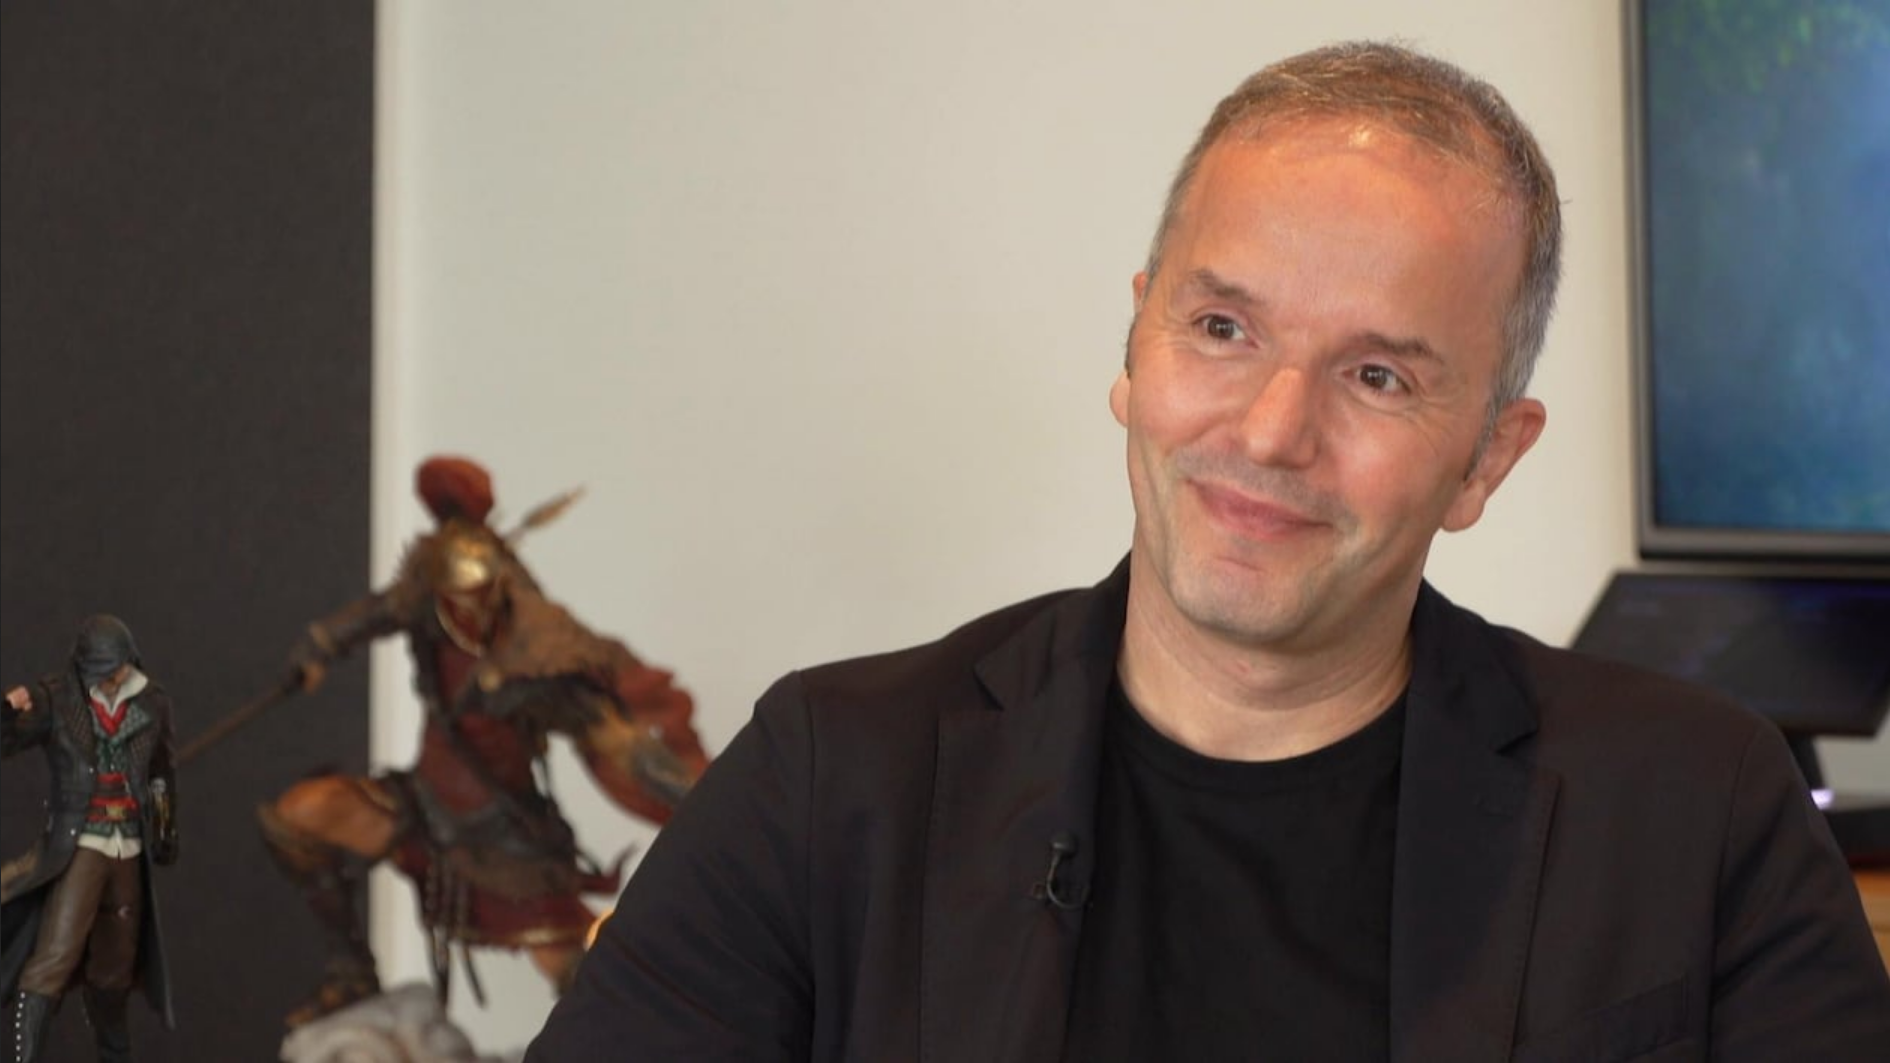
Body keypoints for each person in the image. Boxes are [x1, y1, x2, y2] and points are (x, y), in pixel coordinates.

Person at [528, 42, 1890, 1061]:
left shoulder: (1699, 801)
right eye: (1222, 329)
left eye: (1376, 375)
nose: (1270, 431)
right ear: (1137, 346)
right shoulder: (832, 772)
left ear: (1487, 455)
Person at [258, 455, 710, 1027]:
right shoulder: (425, 602)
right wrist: (319, 648)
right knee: (301, 815)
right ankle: (350, 972)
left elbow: (615, 738)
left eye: (480, 597)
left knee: (577, 975)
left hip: (503, 839)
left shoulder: (538, 657)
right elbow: (373, 614)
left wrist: (697, 801)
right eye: (457, 599)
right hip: (421, 808)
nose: (470, 612)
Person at [2, 615, 179, 1063]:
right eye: (101, 670)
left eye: (116, 668)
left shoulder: (152, 702)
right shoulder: (57, 700)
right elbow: (7, 741)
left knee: (114, 971)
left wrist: (163, 824)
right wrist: (6, 712)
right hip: (81, 844)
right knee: (52, 960)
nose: (111, 678)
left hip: (128, 847)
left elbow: (161, 772)